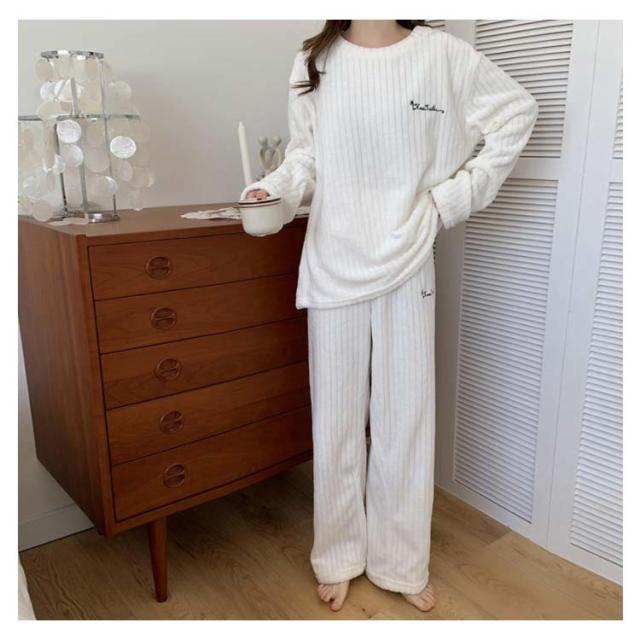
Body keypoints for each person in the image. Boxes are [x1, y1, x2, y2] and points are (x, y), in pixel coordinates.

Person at [240, 20, 538, 613]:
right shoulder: (313, 60)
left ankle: (401, 561)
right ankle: (338, 555)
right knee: (336, 418)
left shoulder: (444, 56)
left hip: (408, 258)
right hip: (333, 260)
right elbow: (306, 156)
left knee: (405, 415)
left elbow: (516, 113)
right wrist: (272, 189)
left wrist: (452, 198)